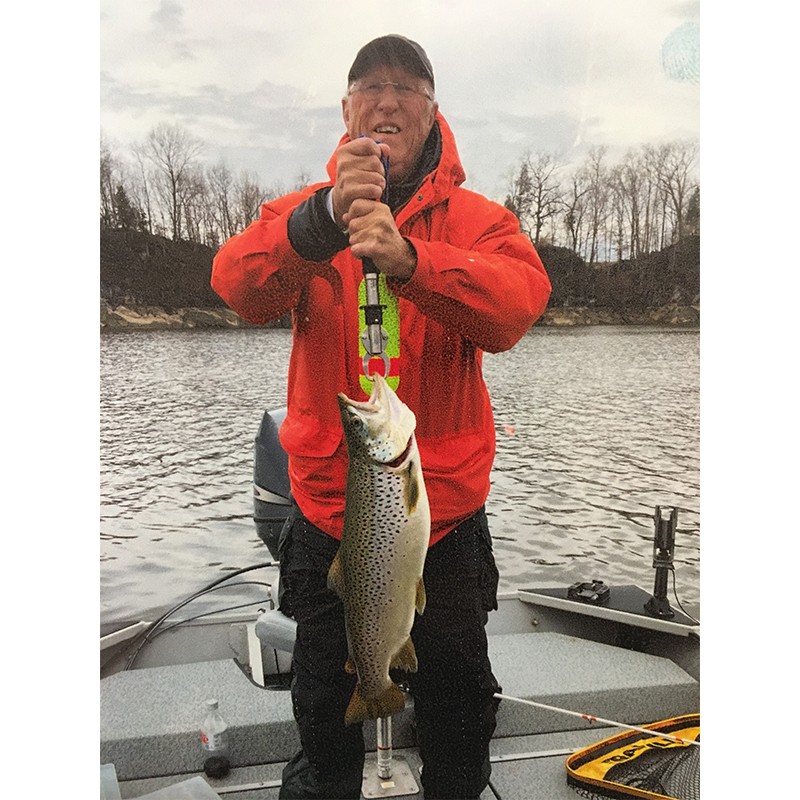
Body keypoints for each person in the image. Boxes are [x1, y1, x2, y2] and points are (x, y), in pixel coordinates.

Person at [212, 34, 551, 800]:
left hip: (448, 524)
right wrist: (321, 220)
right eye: (370, 85)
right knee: (322, 711)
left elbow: (516, 308)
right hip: (327, 520)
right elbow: (238, 286)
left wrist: (413, 264)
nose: (388, 99)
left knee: (460, 708)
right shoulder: (302, 214)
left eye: (408, 88)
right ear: (347, 108)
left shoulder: (478, 221)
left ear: (433, 113)